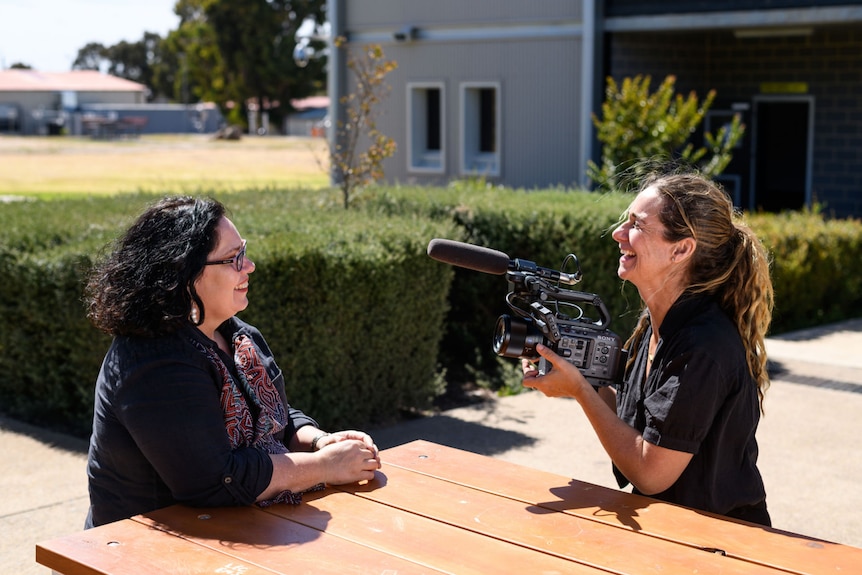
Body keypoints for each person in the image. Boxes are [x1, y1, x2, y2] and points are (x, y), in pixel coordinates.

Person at [83, 196, 381, 528]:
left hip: (233, 528)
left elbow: (271, 415)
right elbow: (214, 480)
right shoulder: (154, 361)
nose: (249, 265)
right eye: (232, 259)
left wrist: (320, 440)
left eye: (244, 251)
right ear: (183, 274)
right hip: (139, 551)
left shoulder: (235, 334)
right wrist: (325, 466)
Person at [522, 172, 774, 526]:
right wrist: (576, 376)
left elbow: (651, 472)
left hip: (723, 540)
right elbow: (634, 425)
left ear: (681, 249)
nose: (617, 234)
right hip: (674, 526)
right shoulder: (656, 325)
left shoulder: (702, 345)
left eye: (636, 225)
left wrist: (579, 390)